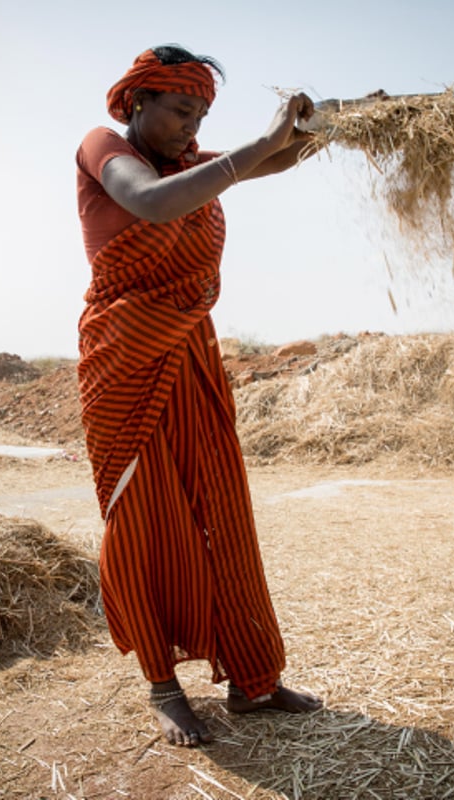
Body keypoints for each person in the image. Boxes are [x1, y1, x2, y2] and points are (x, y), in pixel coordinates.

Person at [75, 44, 324, 748]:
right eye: (182, 109)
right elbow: (151, 206)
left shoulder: (192, 165)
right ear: (137, 102)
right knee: (147, 519)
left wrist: (340, 125)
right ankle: (163, 685)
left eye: (202, 114)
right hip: (126, 355)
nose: (192, 126)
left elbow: (273, 159)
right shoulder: (104, 149)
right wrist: (263, 144)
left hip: (190, 351)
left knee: (221, 505)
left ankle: (253, 679)